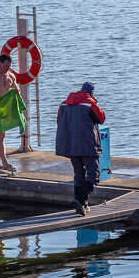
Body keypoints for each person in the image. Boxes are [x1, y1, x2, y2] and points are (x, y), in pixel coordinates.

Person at [56, 82, 107, 215]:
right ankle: (80, 199)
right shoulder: (89, 102)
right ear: (91, 92)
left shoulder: (64, 103)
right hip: (87, 144)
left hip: (70, 145)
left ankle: (81, 205)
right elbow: (101, 118)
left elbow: (58, 121)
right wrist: (94, 101)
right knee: (94, 174)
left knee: (79, 174)